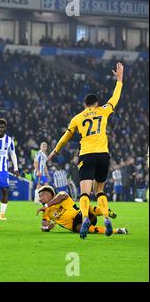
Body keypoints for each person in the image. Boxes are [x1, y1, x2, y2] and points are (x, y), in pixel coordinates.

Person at [47, 62, 124, 239]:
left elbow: (65, 137)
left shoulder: (77, 118)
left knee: (84, 192)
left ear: (85, 104)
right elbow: (115, 98)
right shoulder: (103, 111)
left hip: (87, 155)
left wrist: (55, 152)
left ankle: (85, 219)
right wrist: (119, 79)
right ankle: (105, 218)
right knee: (100, 190)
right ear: (96, 103)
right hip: (103, 155)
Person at [36, 185, 125, 235]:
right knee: (86, 229)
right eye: (40, 196)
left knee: (88, 208)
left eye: (43, 195)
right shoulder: (46, 212)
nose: (41, 198)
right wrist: (47, 228)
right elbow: (44, 226)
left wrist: (47, 205)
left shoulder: (60, 195)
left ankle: (106, 212)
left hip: (80, 214)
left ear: (51, 195)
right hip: (73, 226)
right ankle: (117, 231)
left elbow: (63, 196)